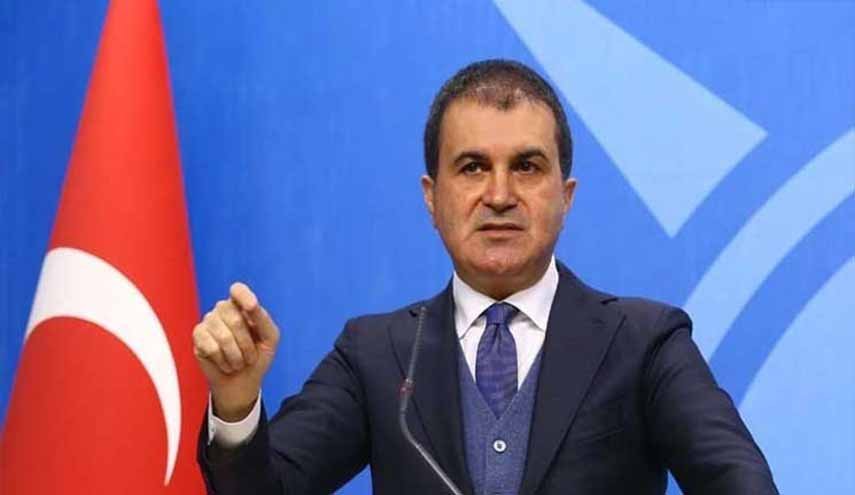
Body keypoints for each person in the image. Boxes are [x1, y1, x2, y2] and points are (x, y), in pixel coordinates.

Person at [193, 59, 779, 494]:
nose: (499, 195)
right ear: (432, 197)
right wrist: (237, 403)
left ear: (566, 196)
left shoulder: (645, 342)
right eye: (473, 167)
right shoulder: (376, 354)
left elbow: (741, 484)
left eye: (526, 166)